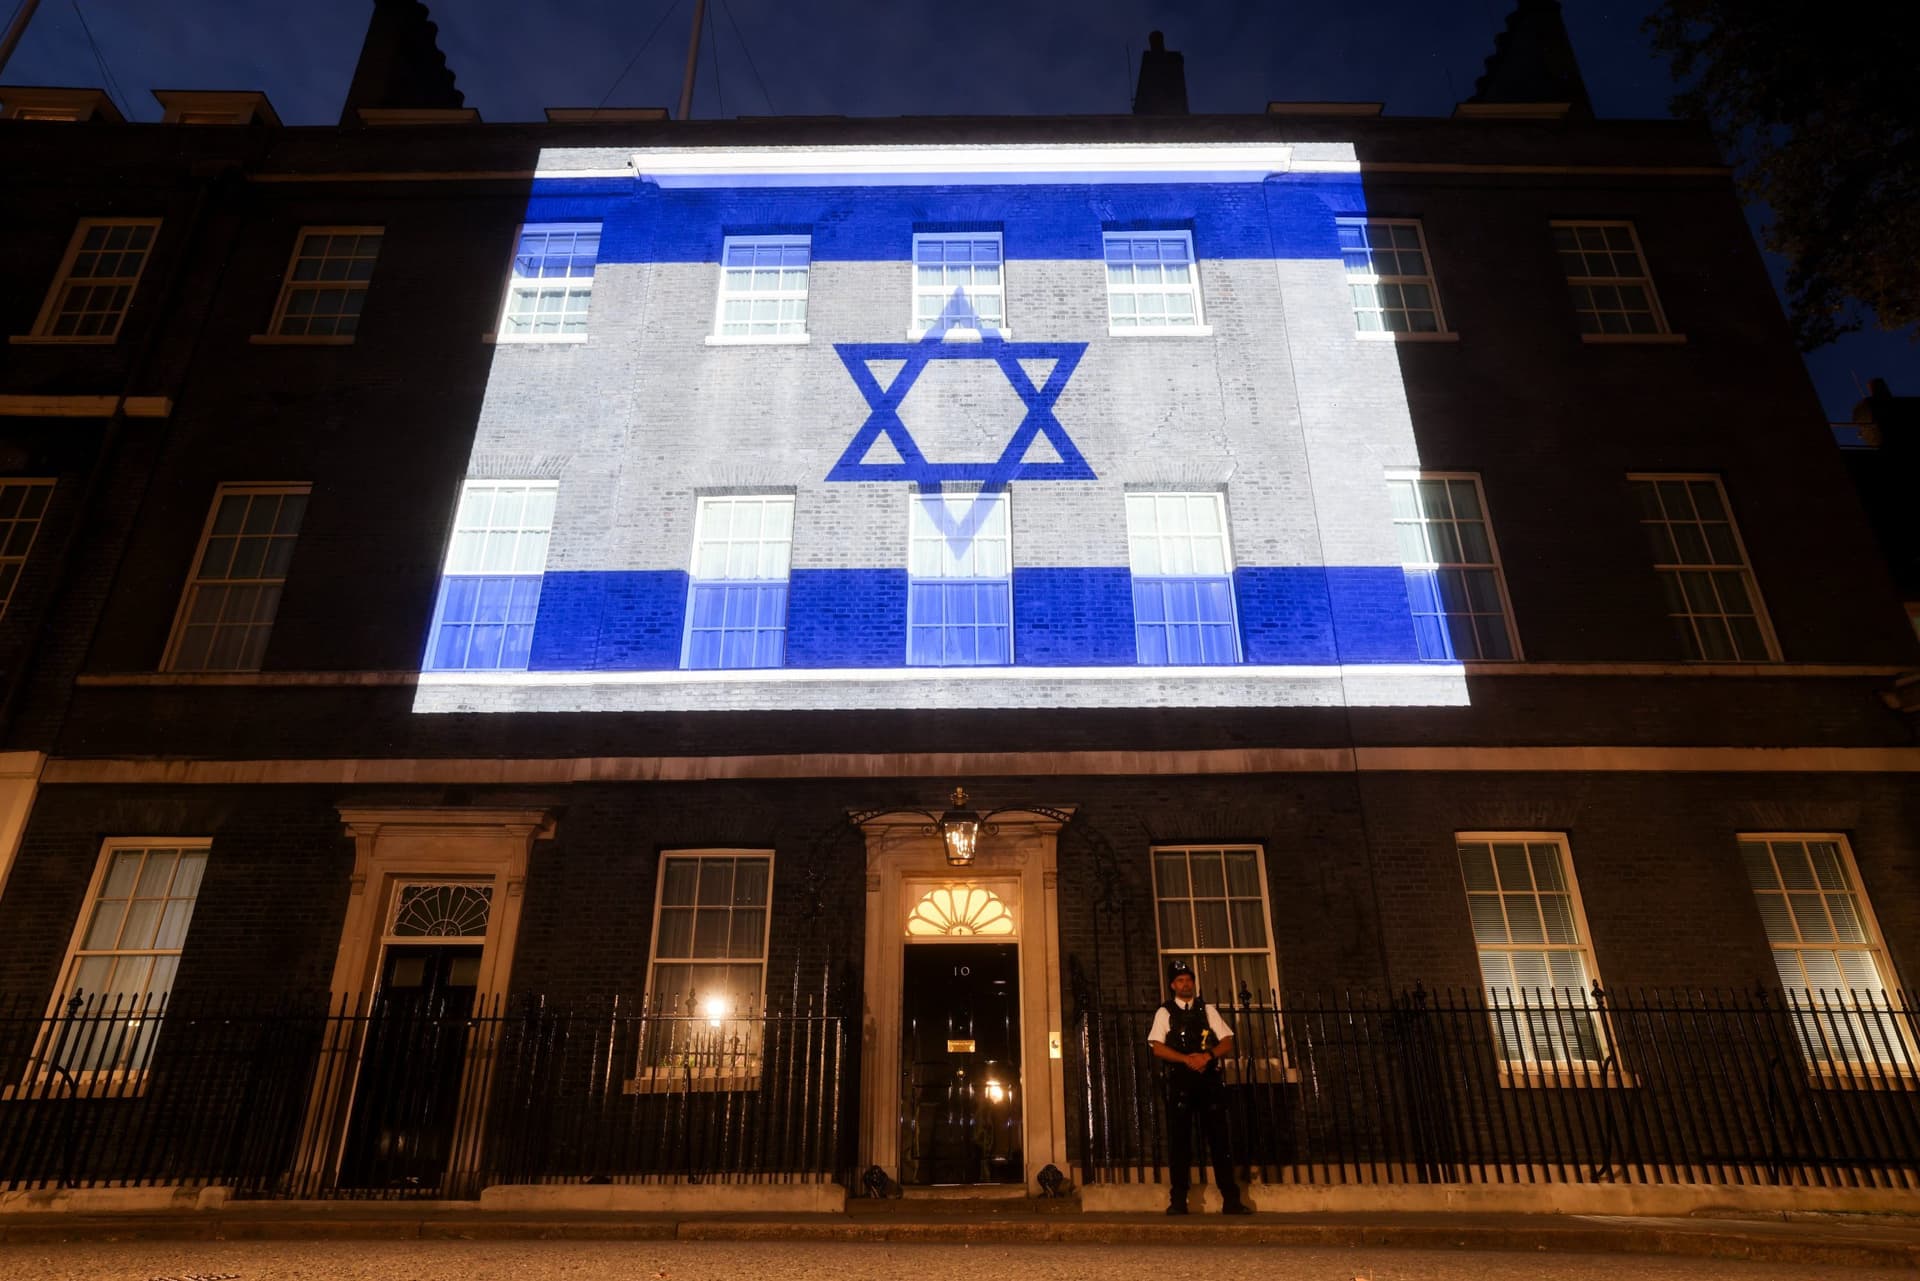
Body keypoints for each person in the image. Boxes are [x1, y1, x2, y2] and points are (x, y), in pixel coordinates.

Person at [1146, 959, 1252, 1215]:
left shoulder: (1208, 1010)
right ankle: (1179, 1200)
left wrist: (1206, 1057)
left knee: (1219, 1141)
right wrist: (1187, 1059)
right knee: (1180, 1143)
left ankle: (1231, 1199)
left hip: (1209, 1080)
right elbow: (1157, 1046)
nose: (1186, 984)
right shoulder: (1165, 1012)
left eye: (1189, 980)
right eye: (1181, 980)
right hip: (1180, 1080)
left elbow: (1226, 1040)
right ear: (1173, 985)